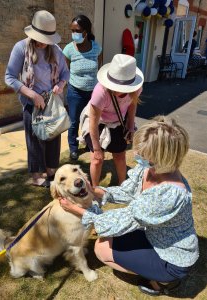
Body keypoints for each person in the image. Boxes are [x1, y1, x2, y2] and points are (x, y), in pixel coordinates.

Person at [59, 116, 199, 296]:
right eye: (138, 149)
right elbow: (128, 191)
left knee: (101, 250)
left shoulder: (168, 195)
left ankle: (164, 281)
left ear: (163, 158)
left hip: (172, 259)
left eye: (143, 154)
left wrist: (78, 210)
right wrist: (96, 190)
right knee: (107, 239)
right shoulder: (150, 167)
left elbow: (121, 221)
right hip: (155, 236)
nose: (136, 155)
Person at [5, 10, 70, 187]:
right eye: (41, 38)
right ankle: (36, 176)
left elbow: (65, 72)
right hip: (31, 103)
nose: (44, 43)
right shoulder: (21, 48)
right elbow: (9, 77)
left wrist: (61, 84)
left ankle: (51, 170)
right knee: (34, 141)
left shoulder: (55, 50)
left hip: (51, 104)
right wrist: (32, 94)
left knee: (53, 137)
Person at [82, 54, 143, 187]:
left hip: (118, 122)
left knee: (120, 156)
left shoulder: (136, 88)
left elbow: (132, 106)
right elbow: (93, 121)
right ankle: (95, 189)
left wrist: (131, 127)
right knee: (97, 159)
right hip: (98, 123)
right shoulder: (100, 92)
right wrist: (97, 148)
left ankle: (123, 185)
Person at [63, 15, 102, 161]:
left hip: (93, 92)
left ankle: (88, 143)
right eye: (72, 30)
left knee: (92, 119)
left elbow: (100, 68)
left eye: (77, 30)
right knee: (74, 121)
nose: (74, 34)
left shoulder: (96, 47)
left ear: (85, 32)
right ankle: (73, 148)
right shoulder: (68, 49)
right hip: (75, 92)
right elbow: (65, 71)